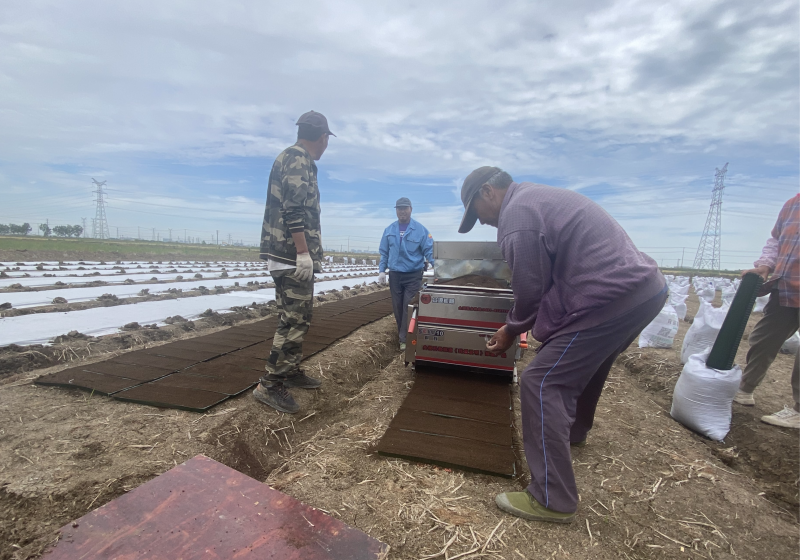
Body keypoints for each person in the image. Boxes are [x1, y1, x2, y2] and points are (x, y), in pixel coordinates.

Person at [457, 166, 666, 524]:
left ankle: (552, 498)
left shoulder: (517, 216)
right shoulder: (535, 198)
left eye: (477, 213)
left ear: (488, 192)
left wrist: (511, 329)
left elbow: (530, 288)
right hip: (644, 292)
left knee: (542, 381)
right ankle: (572, 431)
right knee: (586, 364)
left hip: (608, 299)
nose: (483, 223)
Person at [252, 111, 334, 414]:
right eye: (327, 140)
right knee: (295, 320)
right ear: (323, 138)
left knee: (296, 316)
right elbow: (293, 209)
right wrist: (302, 252)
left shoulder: (292, 158)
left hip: (285, 254)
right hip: (290, 255)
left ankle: (289, 369)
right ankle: (270, 384)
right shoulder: (298, 159)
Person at [733, 195, 800, 428]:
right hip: (786, 286)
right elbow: (776, 240)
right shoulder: (792, 204)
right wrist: (765, 265)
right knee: (763, 338)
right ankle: (745, 388)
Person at [378, 197, 433, 350]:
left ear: (411, 209)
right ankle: (402, 334)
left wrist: (440, 269)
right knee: (397, 308)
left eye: (405, 208)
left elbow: (430, 251)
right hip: (395, 275)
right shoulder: (389, 230)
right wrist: (382, 270)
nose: (402, 211)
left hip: (413, 275)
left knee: (408, 306)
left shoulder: (421, 230)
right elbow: (384, 252)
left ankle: (404, 339)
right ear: (396, 210)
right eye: (399, 208)